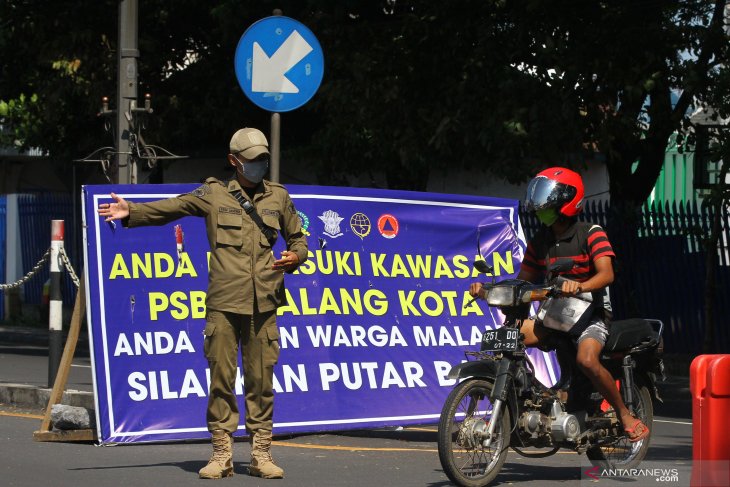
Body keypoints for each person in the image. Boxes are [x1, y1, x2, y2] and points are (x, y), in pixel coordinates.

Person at [97, 127, 308, 479]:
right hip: (224, 304)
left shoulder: (278, 198)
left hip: (264, 304)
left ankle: (261, 454)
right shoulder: (213, 194)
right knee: (221, 379)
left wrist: (295, 257)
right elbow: (174, 207)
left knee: (261, 380)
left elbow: (298, 238)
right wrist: (131, 211)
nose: (260, 165)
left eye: (264, 159)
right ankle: (221, 454)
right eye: (253, 160)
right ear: (234, 161)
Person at [469, 166, 649, 443]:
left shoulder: (591, 233)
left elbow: (607, 273)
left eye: (548, 197)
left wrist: (580, 285)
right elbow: (523, 281)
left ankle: (624, 414)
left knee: (586, 359)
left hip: (593, 315)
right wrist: (488, 289)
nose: (541, 205)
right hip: (556, 315)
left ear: (567, 200)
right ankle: (539, 398)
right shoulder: (540, 241)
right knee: (511, 339)